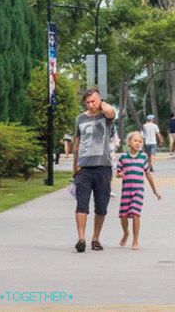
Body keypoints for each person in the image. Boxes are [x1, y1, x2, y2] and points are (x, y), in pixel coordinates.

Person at [72, 88, 116, 253]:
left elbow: (111, 111)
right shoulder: (80, 119)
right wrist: (74, 168)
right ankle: (81, 238)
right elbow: (77, 143)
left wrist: (101, 104)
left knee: (101, 206)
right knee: (81, 204)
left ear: (100, 100)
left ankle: (96, 238)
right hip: (84, 168)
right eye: (88, 102)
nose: (91, 105)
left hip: (103, 167)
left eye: (94, 101)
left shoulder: (106, 117)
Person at [117, 131, 161, 249]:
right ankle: (126, 233)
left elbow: (148, 174)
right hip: (126, 191)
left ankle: (135, 240)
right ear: (129, 143)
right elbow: (117, 172)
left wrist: (154, 191)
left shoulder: (143, 157)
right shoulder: (123, 157)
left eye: (140, 141)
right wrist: (119, 174)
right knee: (124, 215)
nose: (138, 143)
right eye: (135, 141)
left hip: (138, 191)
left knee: (136, 213)